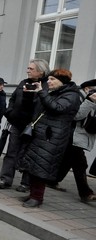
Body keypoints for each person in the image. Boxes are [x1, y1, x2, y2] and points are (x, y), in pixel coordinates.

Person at [19, 69, 81, 207]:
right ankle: (32, 194)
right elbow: (37, 108)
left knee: (42, 167)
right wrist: (30, 95)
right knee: (34, 165)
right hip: (42, 134)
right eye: (49, 79)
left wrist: (42, 93)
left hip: (52, 137)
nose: (49, 82)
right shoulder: (54, 92)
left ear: (62, 81)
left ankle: (37, 197)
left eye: (52, 79)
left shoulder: (72, 95)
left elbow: (57, 108)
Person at [0, 59, 50, 192]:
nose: (27, 70)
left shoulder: (46, 86)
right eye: (28, 68)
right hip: (17, 123)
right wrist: (10, 113)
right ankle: (5, 180)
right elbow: (13, 99)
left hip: (33, 126)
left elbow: (43, 105)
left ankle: (25, 183)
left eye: (31, 69)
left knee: (28, 154)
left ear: (41, 72)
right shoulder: (23, 83)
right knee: (11, 152)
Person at [50, 79, 96, 203]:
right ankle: (85, 193)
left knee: (67, 161)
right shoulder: (79, 97)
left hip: (80, 137)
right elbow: (76, 116)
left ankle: (52, 180)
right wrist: (90, 101)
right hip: (73, 135)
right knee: (80, 164)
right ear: (87, 89)